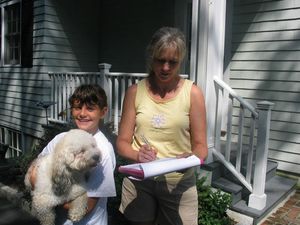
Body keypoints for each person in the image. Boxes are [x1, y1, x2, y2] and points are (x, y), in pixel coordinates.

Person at [116, 27, 208, 225]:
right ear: (151, 56)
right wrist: (137, 155)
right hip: (139, 182)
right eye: (160, 60)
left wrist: (190, 159)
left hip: (179, 185)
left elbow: (201, 147)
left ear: (180, 61)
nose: (165, 67)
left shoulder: (193, 93)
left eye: (172, 62)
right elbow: (122, 142)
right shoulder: (134, 92)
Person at [29, 84, 116, 225]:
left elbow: (87, 207)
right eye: (77, 107)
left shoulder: (102, 151)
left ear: (103, 112)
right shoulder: (61, 139)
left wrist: (41, 190)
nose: (82, 113)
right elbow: (35, 169)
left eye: (90, 108)